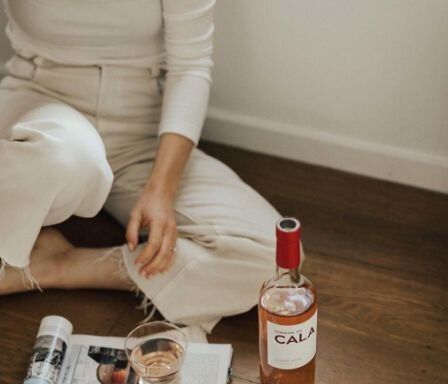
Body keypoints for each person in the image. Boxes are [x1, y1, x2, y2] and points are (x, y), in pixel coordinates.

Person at [0, 0, 280, 335]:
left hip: (142, 128)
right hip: (40, 106)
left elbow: (191, 66)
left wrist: (161, 189)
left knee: (271, 256)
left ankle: (56, 265)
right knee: (68, 157)